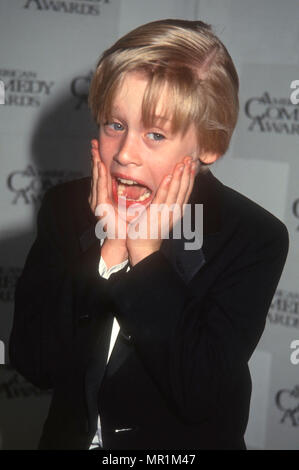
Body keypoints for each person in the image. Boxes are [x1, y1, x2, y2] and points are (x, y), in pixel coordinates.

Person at [9, 19, 289, 450]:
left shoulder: (253, 236)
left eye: (154, 134)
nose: (124, 154)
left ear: (209, 145)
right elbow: (34, 363)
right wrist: (107, 252)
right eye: (114, 125)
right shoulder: (65, 208)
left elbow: (197, 392)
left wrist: (143, 253)